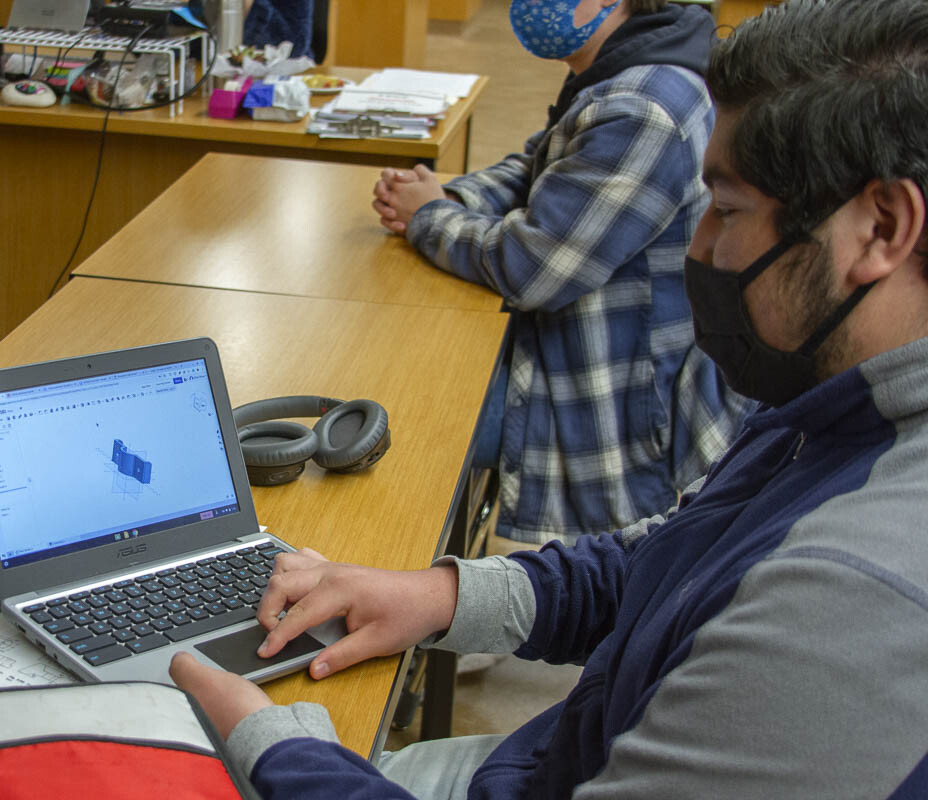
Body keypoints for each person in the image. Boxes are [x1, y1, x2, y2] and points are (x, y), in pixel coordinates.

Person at [170, 0, 928, 796]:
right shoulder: (837, 402)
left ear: (883, 227)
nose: (698, 245)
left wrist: (275, 752)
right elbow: (672, 563)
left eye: (728, 211)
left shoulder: (855, 595)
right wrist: (441, 594)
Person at [374, 0, 750, 544]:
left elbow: (534, 267)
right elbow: (541, 169)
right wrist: (450, 198)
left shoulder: (643, 107)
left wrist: (429, 218)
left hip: (610, 404)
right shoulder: (626, 65)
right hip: (577, 351)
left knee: (404, 401)